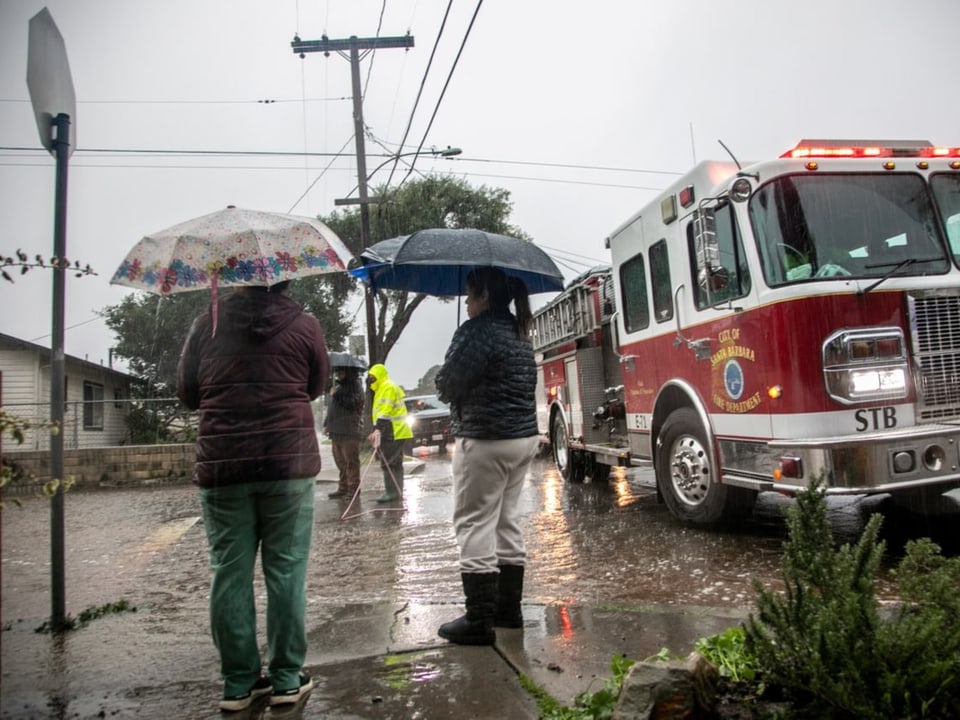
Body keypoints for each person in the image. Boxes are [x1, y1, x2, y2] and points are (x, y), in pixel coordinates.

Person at [176, 281, 328, 712]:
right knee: (286, 570)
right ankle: (285, 678)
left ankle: (238, 684)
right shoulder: (305, 325)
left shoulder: (206, 325)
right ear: (285, 278)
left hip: (224, 466)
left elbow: (187, 393)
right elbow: (315, 385)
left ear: (235, 281)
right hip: (288, 465)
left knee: (229, 572)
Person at [434, 267, 540, 646]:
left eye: (469, 293)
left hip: (486, 439)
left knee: (474, 522)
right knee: (506, 521)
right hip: (523, 438)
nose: (465, 301)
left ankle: (479, 619)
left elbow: (447, 385)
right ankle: (508, 611)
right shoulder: (519, 332)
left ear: (483, 296)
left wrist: (451, 359)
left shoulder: (477, 332)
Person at [365, 363, 413, 503]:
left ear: (379, 376)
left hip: (394, 431)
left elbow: (385, 412)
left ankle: (391, 492)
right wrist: (376, 429)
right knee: (395, 462)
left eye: (373, 377)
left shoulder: (387, 387)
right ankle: (396, 491)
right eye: (370, 378)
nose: (371, 381)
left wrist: (378, 429)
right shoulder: (382, 388)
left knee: (388, 462)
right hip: (395, 430)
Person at [323, 364, 365, 499]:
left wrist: (337, 395)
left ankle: (353, 490)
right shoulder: (337, 387)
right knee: (340, 462)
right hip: (335, 431)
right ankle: (343, 487)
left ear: (349, 372)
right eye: (337, 371)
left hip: (349, 431)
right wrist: (326, 424)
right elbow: (332, 408)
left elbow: (353, 404)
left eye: (341, 371)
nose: (338, 374)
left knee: (351, 462)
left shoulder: (356, 387)